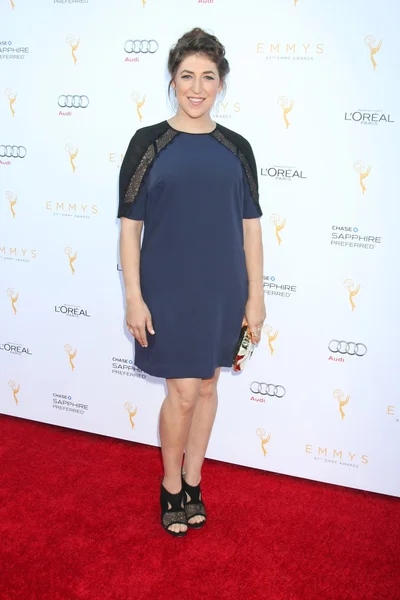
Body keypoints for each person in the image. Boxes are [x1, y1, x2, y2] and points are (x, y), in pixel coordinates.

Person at [118, 27, 266, 537]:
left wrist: (257, 298)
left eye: (208, 76)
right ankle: (170, 485)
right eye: (187, 76)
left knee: (207, 385)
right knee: (181, 392)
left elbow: (251, 229)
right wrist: (134, 297)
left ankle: (194, 477)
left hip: (223, 289)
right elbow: (129, 227)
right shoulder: (148, 143)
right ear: (172, 81)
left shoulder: (237, 148)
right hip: (167, 289)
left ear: (221, 83)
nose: (197, 86)